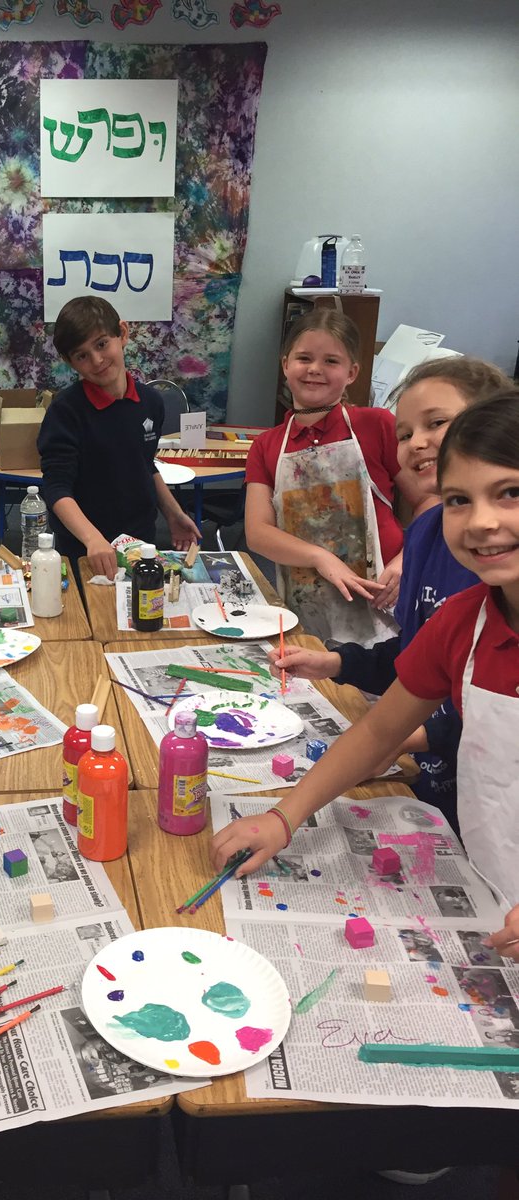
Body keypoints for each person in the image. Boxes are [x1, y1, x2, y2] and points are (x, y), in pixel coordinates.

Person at [211, 389, 519, 958]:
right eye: (458, 499)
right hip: (493, 886)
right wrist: (285, 816)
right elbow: (380, 731)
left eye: (510, 493)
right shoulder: (462, 622)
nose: (482, 521)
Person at [270, 357, 510, 820]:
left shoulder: (489, 570)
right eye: (404, 433)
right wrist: (339, 662)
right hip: (452, 801)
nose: (417, 442)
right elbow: (423, 661)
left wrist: (412, 735)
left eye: (437, 422)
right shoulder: (440, 562)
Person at [245, 308, 424, 645]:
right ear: (285, 364)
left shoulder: (377, 424)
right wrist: (321, 557)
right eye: (304, 358)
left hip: (386, 597)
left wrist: (407, 559)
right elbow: (256, 533)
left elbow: (431, 501)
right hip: (306, 605)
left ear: (352, 372)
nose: (315, 369)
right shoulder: (266, 446)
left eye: (331, 361)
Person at [37, 296, 201, 579]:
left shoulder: (151, 402)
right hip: (85, 549)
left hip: (140, 543)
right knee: (90, 620)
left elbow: (145, 464)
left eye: (102, 344)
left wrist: (173, 513)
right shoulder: (65, 411)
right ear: (70, 362)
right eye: (82, 355)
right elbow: (56, 488)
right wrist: (92, 539)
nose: (97, 360)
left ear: (122, 334)